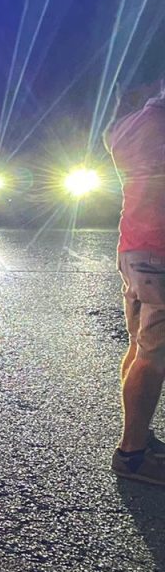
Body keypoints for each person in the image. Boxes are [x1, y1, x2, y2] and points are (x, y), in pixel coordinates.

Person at [105, 78, 165, 486]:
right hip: (159, 250)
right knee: (155, 355)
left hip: (136, 247)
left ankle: (140, 435)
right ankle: (132, 455)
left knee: (140, 345)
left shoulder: (127, 125)